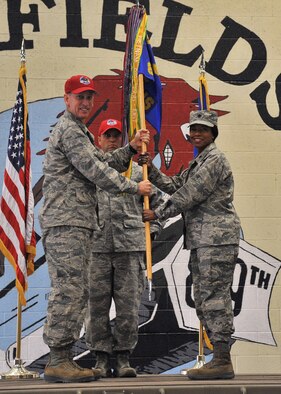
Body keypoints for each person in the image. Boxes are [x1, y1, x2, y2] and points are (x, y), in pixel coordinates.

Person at [39, 75, 151, 383]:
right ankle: (58, 359)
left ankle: (61, 358)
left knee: (77, 290)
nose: (85, 102)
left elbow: (103, 160)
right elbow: (96, 170)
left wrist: (129, 148)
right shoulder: (69, 130)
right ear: (67, 99)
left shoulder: (80, 132)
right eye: (79, 97)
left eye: (89, 97)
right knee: (70, 290)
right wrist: (133, 187)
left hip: (77, 222)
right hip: (67, 221)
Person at [141, 109, 240, 380]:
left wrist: (156, 214)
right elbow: (175, 185)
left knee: (214, 298)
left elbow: (188, 195)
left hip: (215, 240)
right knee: (203, 298)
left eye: (203, 129)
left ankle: (222, 359)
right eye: (193, 129)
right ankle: (219, 357)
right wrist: (151, 168)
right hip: (203, 240)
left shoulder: (214, 160)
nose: (197, 133)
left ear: (213, 133)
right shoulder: (199, 162)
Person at [85, 119, 165, 378]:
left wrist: (150, 231)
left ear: (122, 140)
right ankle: (99, 357)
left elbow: (159, 204)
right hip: (96, 249)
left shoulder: (137, 172)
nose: (111, 140)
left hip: (130, 248)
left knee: (128, 306)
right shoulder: (91, 174)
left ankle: (122, 357)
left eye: (116, 136)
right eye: (107, 136)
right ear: (98, 140)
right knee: (96, 306)